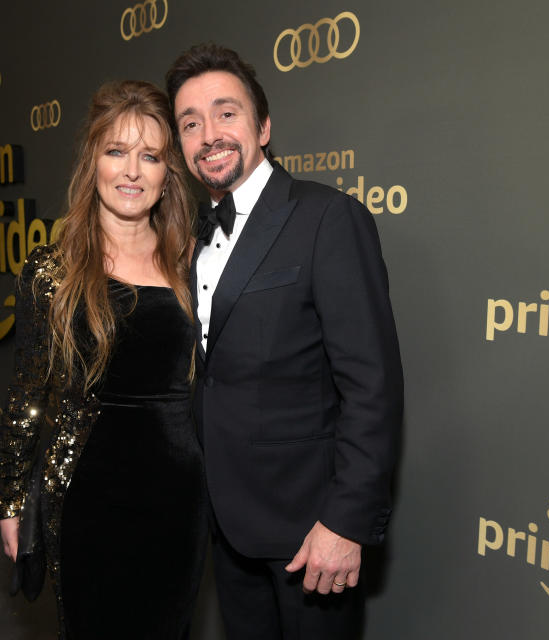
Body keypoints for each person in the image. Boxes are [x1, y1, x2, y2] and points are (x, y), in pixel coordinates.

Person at [166, 44, 404, 639]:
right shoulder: (187, 236)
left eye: (226, 113)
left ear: (263, 126)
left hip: (309, 535)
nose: (209, 134)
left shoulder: (328, 218)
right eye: (190, 123)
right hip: (226, 524)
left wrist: (345, 524)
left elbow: (372, 387)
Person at [0, 80, 206, 639]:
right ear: (93, 161)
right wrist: (11, 499)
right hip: (87, 491)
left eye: (150, 156)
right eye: (116, 151)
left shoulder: (192, 260)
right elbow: (26, 396)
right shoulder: (52, 269)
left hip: (177, 496)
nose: (132, 171)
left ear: (168, 173)